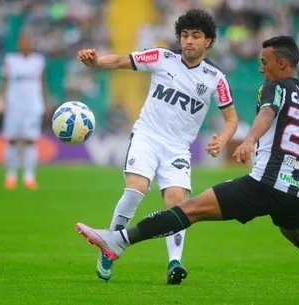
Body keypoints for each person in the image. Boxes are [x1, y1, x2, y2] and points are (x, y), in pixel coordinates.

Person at [76, 35, 299, 301]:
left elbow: (267, 113)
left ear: (282, 64)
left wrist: (250, 139)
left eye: (265, 63)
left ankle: (119, 240)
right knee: (296, 233)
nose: (261, 69)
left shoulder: (275, 88)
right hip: (298, 191)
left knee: (189, 209)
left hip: (265, 183)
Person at [76, 9, 238, 284]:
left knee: (178, 202)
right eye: (185, 35)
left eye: (196, 36)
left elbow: (231, 117)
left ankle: (174, 263)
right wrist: (96, 63)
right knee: (136, 188)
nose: (188, 41)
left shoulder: (215, 78)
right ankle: (110, 247)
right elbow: (119, 61)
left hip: (178, 148)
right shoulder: (161, 57)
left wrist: (222, 139)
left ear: (208, 41)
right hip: (147, 136)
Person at [0, 34, 49, 190]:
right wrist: (0, 100)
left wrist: (46, 101)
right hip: (14, 104)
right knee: (11, 140)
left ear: (30, 44)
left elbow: (43, 82)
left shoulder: (38, 60)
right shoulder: (10, 60)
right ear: (19, 44)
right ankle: (10, 176)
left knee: (30, 140)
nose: (25, 45)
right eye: (22, 43)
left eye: (27, 42)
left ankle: (29, 177)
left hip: (32, 105)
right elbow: (3, 81)